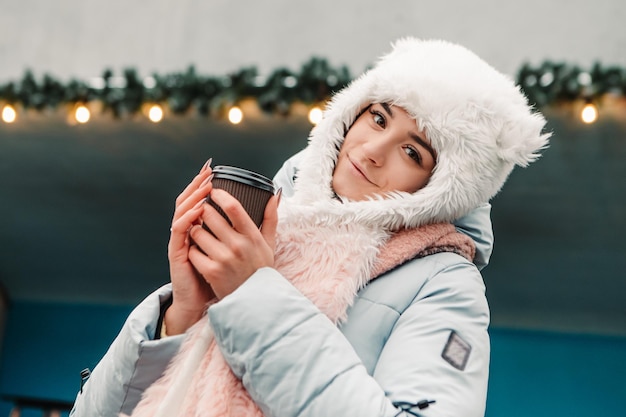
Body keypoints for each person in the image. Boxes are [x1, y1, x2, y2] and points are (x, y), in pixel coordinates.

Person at [70, 38, 549, 417]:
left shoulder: (444, 285)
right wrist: (182, 312)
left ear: (444, 186)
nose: (373, 150)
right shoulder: (273, 228)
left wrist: (254, 296)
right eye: (378, 118)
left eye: (413, 151)